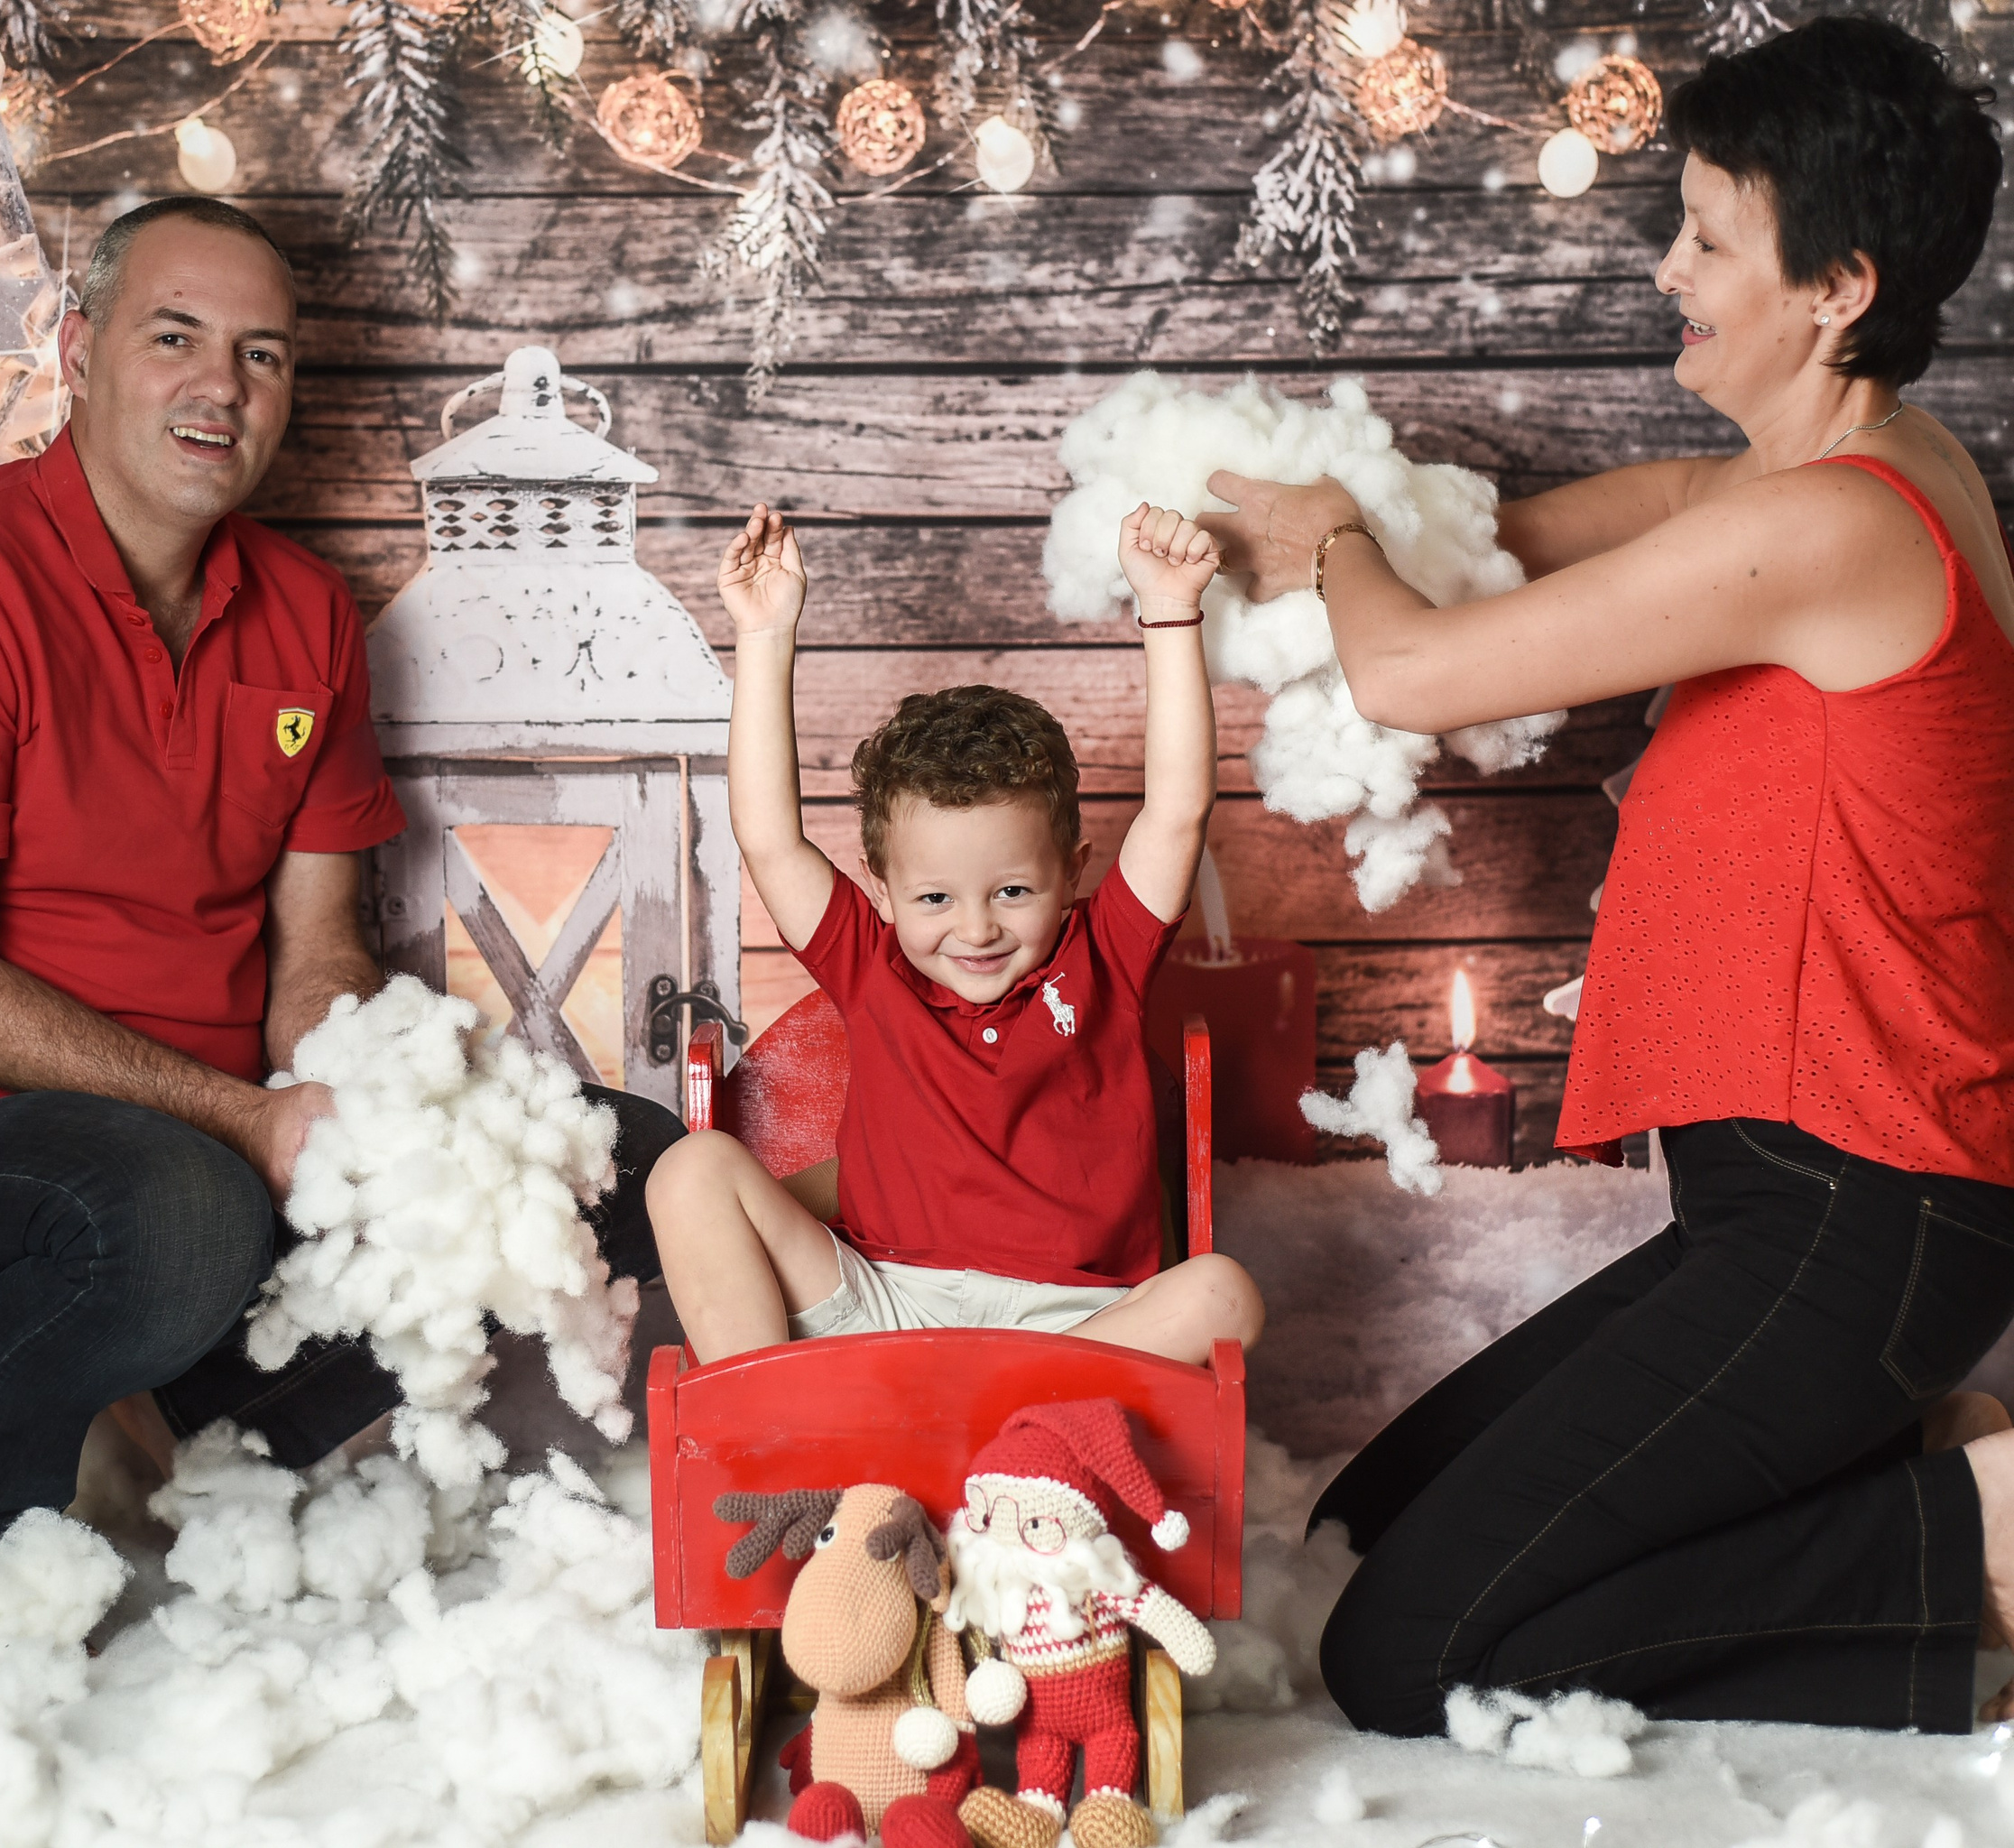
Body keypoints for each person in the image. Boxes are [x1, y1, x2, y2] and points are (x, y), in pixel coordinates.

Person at [1199, 16, 2014, 1733]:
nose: (1667, 271)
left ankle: (1963, 1544)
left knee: (1401, 1652)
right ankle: (1905, 1469)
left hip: (1863, 1219)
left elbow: (1412, 675)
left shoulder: (1839, 526)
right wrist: (1422, 529)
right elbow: (1664, 501)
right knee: (1373, 1523)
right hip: (1791, 1213)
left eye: (1709, 239)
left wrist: (1335, 540)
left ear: (1837, 289)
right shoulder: (1850, 466)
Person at [0, 197, 683, 1563]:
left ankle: (179, 1435)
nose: (222, 387)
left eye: (262, 355)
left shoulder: (305, 613)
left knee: (615, 1162)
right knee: (180, 1209)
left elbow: (317, 957)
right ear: (78, 351)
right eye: (174, 337)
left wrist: (385, 1117)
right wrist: (246, 1123)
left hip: (210, 1166)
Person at [643, 499, 1264, 1366]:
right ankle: (765, 1419)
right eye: (935, 898)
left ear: (1072, 874)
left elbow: (1176, 812)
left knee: (1223, 1294)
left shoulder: (1106, 958)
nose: (976, 928)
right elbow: (770, 838)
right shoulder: (869, 965)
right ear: (884, 891)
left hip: (1074, 1334)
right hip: (888, 1313)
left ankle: (994, 1421)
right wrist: (764, 633)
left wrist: (1167, 610)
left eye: (1012, 891)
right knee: (691, 1168)